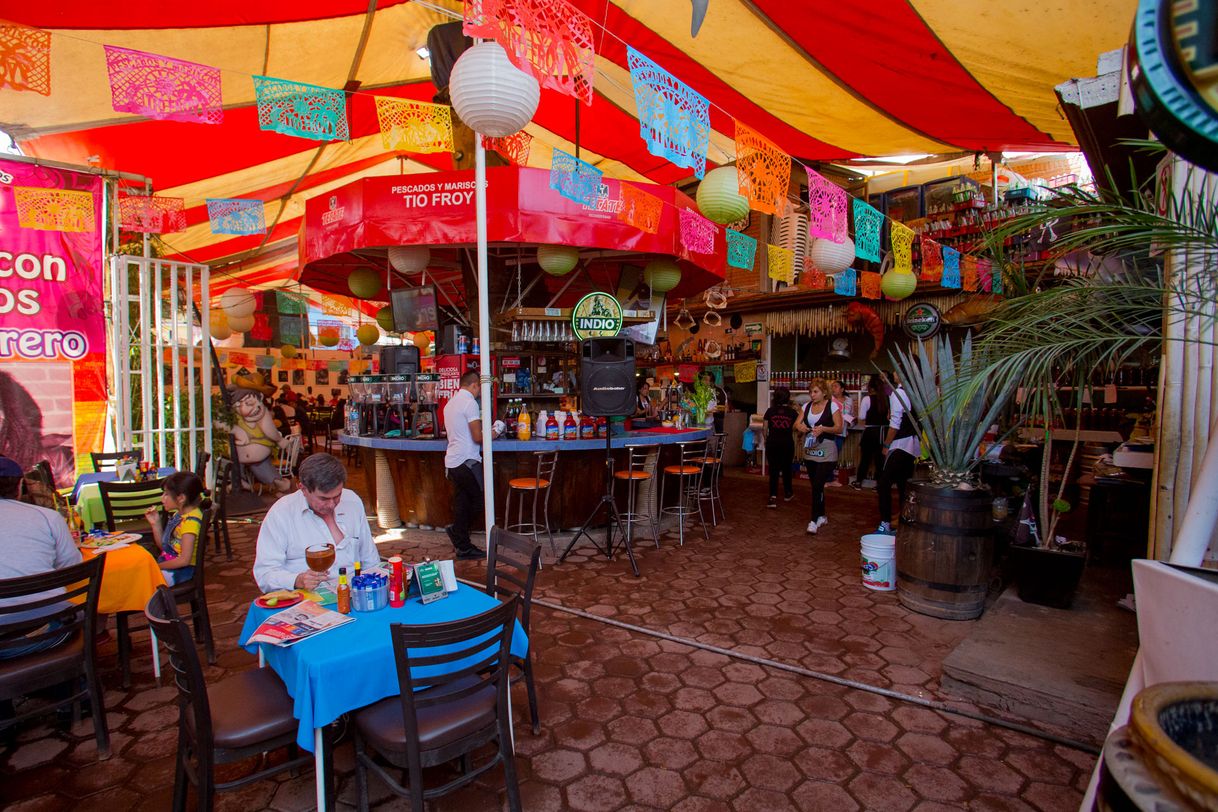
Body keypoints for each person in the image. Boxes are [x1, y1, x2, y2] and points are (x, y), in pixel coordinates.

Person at [253, 453, 381, 592]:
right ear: (303, 489)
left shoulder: (352, 500)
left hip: (354, 592)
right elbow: (264, 574)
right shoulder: (281, 513)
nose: (332, 504)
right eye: (324, 499)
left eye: (337, 496)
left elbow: (370, 559)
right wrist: (297, 580)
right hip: (305, 598)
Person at [0, 456, 82, 659]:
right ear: (20, 486)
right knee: (75, 612)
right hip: (47, 633)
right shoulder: (47, 517)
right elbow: (72, 568)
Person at [442, 371, 486, 560]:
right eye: (479, 388)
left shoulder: (450, 403)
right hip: (467, 461)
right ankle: (458, 534)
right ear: (474, 385)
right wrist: (495, 432)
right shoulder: (470, 403)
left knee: (462, 503)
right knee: (478, 502)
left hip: (452, 461)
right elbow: (478, 438)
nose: (480, 392)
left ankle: (463, 545)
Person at [794, 378, 842, 535]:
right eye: (810, 392)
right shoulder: (807, 406)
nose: (812, 395)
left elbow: (839, 428)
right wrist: (801, 427)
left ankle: (813, 520)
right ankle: (821, 515)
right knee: (816, 484)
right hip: (811, 449)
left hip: (827, 450)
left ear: (824, 392)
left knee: (818, 483)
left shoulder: (832, 406)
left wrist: (823, 429)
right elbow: (796, 423)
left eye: (815, 392)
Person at [876, 370, 921, 535]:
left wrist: (886, 445)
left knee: (883, 483)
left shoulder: (898, 393)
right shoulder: (916, 392)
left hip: (900, 444)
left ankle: (885, 523)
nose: (894, 372)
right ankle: (904, 521)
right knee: (903, 484)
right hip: (913, 444)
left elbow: (895, 424)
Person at [145, 472, 205, 586]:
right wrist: (155, 523)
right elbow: (165, 547)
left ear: (181, 498)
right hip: (169, 563)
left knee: (143, 582)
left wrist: (156, 567)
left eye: (166, 494)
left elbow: (184, 560)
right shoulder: (179, 515)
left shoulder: (190, 522)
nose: (162, 498)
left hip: (180, 571)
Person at [230, 387, 292, 493]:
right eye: (238, 405)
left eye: (248, 403)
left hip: (247, 456)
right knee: (256, 464)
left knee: (257, 465)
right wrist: (280, 440)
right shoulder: (257, 415)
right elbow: (271, 431)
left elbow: (270, 431)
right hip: (247, 455)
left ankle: (242, 480)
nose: (243, 410)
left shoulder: (259, 415)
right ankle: (277, 483)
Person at [851, 374, 889, 489]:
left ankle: (858, 482)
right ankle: (879, 484)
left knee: (865, 459)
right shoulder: (887, 399)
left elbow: (862, 416)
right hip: (883, 432)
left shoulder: (867, 399)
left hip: (871, 431)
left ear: (870, 387)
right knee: (880, 460)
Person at [762, 387, 798, 508]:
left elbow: (764, 429)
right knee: (787, 468)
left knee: (773, 470)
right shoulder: (792, 412)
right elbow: (798, 427)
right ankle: (788, 493)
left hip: (772, 443)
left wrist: (767, 440)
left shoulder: (770, 411)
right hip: (787, 443)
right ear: (788, 398)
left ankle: (772, 497)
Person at [827, 379, 855, 488]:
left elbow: (851, 414)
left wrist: (851, 421)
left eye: (836, 386)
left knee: (834, 456)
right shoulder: (830, 400)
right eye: (832, 386)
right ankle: (828, 479)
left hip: (842, 432)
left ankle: (830, 478)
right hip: (831, 431)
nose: (833, 388)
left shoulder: (849, 401)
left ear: (842, 389)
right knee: (829, 455)